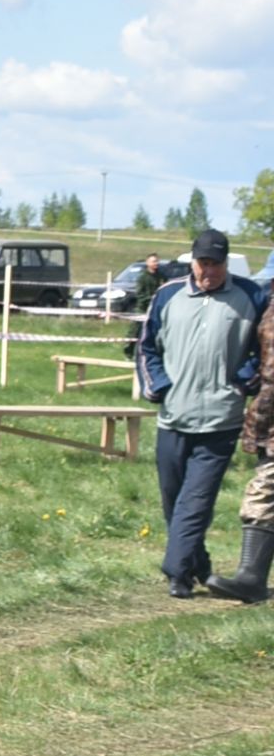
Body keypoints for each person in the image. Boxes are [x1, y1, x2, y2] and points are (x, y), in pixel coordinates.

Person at [136, 227, 262, 597]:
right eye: (203, 263)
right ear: (192, 262)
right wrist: (158, 386)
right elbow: (146, 347)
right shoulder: (167, 294)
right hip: (174, 418)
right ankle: (200, 565)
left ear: (226, 263)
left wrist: (241, 383)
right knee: (173, 500)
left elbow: (262, 350)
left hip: (221, 420)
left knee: (195, 501)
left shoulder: (251, 296)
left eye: (216, 264)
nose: (209, 271)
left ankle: (176, 573)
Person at [207, 270, 274, 601]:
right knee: (265, 489)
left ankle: (252, 579)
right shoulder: (268, 307)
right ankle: (251, 578)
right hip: (270, 417)